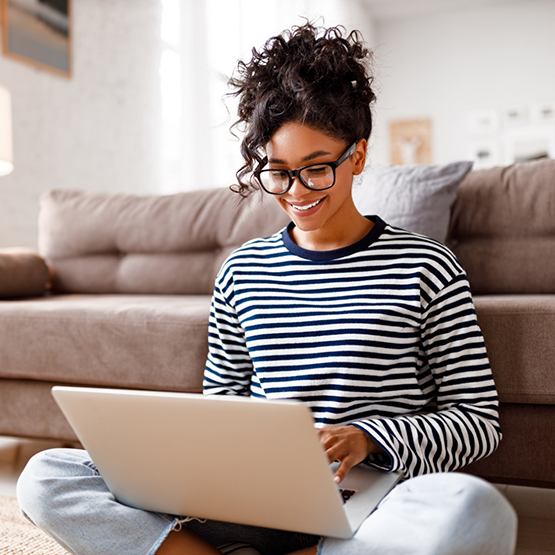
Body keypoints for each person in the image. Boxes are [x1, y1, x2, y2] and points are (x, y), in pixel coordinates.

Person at [17, 23, 517, 555]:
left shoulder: (426, 266)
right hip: (249, 499)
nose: (297, 192)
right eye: (277, 173)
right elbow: (220, 408)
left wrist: (372, 437)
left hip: (371, 501)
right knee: (46, 476)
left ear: (359, 156)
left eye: (316, 169)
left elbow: (478, 422)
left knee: (471, 509)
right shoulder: (242, 270)